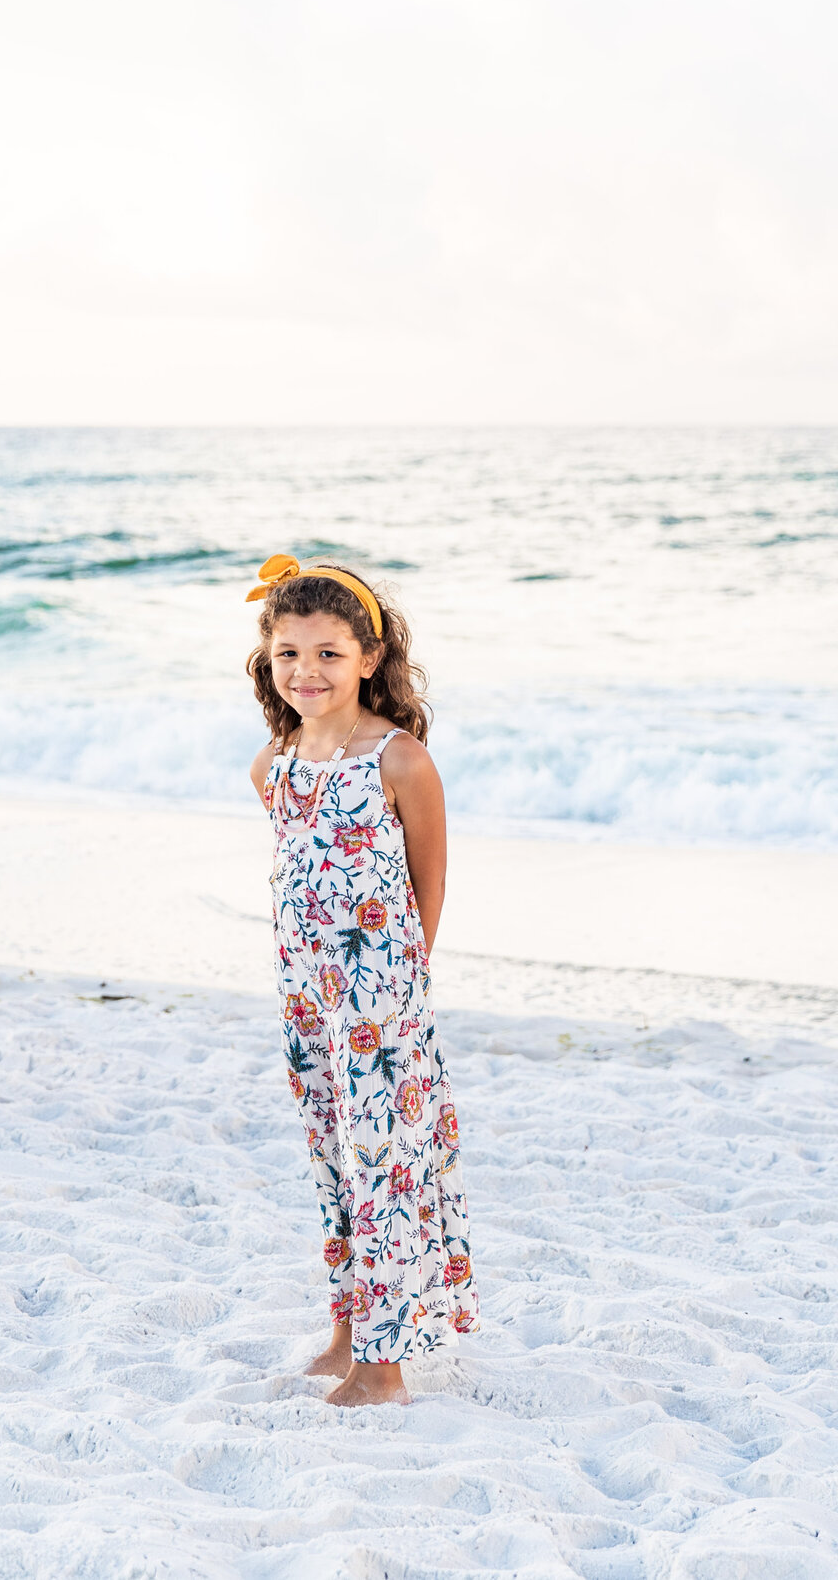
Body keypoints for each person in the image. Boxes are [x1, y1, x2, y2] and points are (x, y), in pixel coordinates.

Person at [244, 553, 476, 1407]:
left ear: (370, 658)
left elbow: (429, 882)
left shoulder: (398, 757)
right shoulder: (275, 766)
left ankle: (385, 1366)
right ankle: (348, 1330)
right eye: (289, 653)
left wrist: (400, 989)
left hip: (380, 995)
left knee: (384, 1163)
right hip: (306, 991)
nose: (307, 670)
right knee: (333, 1159)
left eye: (330, 653)